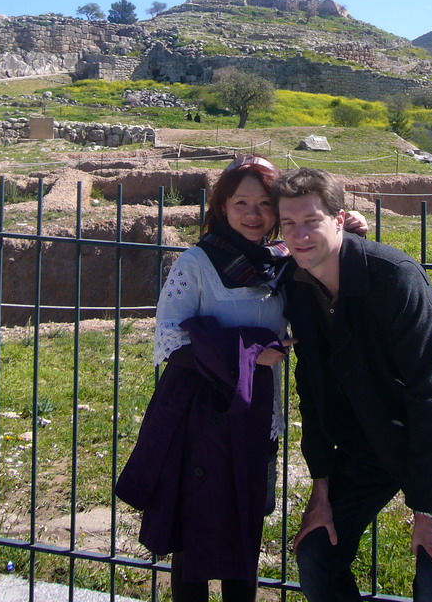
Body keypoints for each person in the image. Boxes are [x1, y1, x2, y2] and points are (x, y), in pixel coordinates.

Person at [116, 155, 367, 602]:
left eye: (265, 204)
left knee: (245, 521)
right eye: (241, 203)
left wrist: (351, 231)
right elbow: (169, 341)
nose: (254, 215)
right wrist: (249, 352)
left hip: (255, 416)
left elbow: (329, 262)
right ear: (222, 206)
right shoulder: (197, 262)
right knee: (193, 527)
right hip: (201, 415)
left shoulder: (281, 263)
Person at [272, 168, 432, 602]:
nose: (299, 235)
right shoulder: (298, 286)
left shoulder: (393, 277)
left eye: (311, 220)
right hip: (373, 440)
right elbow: (311, 389)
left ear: (339, 219)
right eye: (289, 224)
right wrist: (322, 486)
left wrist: (428, 509)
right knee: (316, 553)